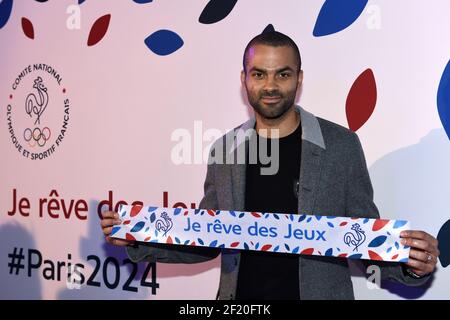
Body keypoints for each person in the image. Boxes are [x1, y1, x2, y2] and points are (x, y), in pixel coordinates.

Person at [101, 31, 439, 300]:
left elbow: (363, 237)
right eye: (259, 74)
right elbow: (206, 238)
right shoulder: (225, 149)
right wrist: (136, 237)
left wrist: (410, 263)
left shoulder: (340, 146)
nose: (271, 86)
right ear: (244, 78)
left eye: (283, 74)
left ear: (299, 78)